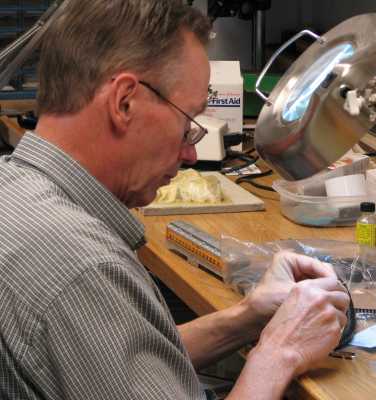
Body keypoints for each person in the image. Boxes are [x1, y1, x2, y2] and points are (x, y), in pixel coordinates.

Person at [0, 1, 349, 399]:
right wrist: (280, 352)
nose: (191, 154)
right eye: (188, 122)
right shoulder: (82, 267)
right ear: (124, 102)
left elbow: (120, 366)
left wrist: (248, 318)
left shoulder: (15, 191)